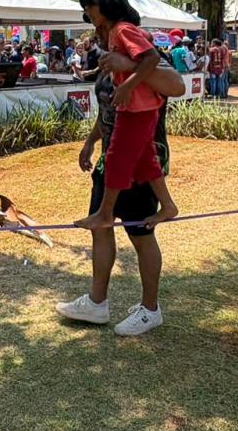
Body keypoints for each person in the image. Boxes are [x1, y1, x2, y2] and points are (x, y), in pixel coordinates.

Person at [57, 39, 186, 336]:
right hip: (111, 159)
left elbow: (177, 85)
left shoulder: (150, 57)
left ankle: (150, 310)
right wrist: (91, 141)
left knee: (141, 234)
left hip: (142, 160)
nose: (99, 32)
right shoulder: (109, 56)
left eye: (101, 23)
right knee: (100, 226)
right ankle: (96, 303)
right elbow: (108, 107)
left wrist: (132, 65)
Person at [74, 0, 179, 231]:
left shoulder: (123, 30)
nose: (87, 13)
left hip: (137, 110)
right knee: (145, 163)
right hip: (136, 110)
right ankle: (168, 205)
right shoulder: (114, 35)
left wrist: (127, 86)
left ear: (107, 3)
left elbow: (151, 58)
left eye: (90, 6)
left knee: (116, 159)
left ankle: (105, 213)